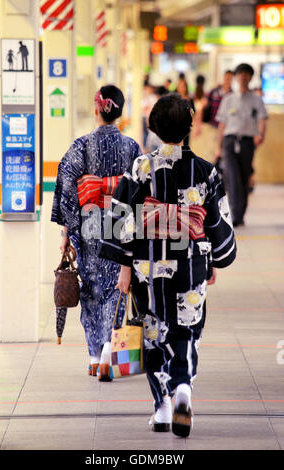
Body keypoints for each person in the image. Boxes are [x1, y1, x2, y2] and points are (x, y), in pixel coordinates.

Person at [99, 94, 236, 437]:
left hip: (147, 266)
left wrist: (124, 266)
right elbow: (217, 223)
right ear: (190, 124)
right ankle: (183, 390)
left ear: (154, 127)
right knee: (186, 330)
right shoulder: (206, 171)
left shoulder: (140, 168)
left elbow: (119, 221)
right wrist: (215, 257)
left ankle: (161, 407)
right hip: (191, 263)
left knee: (152, 331)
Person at [51, 85, 141, 379]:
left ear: (97, 108)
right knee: (117, 286)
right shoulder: (132, 148)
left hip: (89, 222)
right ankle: (107, 353)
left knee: (90, 287)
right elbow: (141, 190)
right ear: (120, 112)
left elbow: (66, 185)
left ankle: (93, 356)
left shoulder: (82, 145)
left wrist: (67, 230)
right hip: (121, 221)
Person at [215, 63, 268, 226]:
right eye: (240, 74)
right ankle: (235, 214)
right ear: (236, 77)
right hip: (230, 141)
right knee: (232, 176)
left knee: (244, 177)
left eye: (246, 74)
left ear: (250, 77)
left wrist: (261, 135)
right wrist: (219, 146)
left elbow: (262, 119)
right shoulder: (228, 99)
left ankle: (240, 213)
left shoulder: (256, 100)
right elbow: (222, 124)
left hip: (247, 143)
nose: (243, 77)